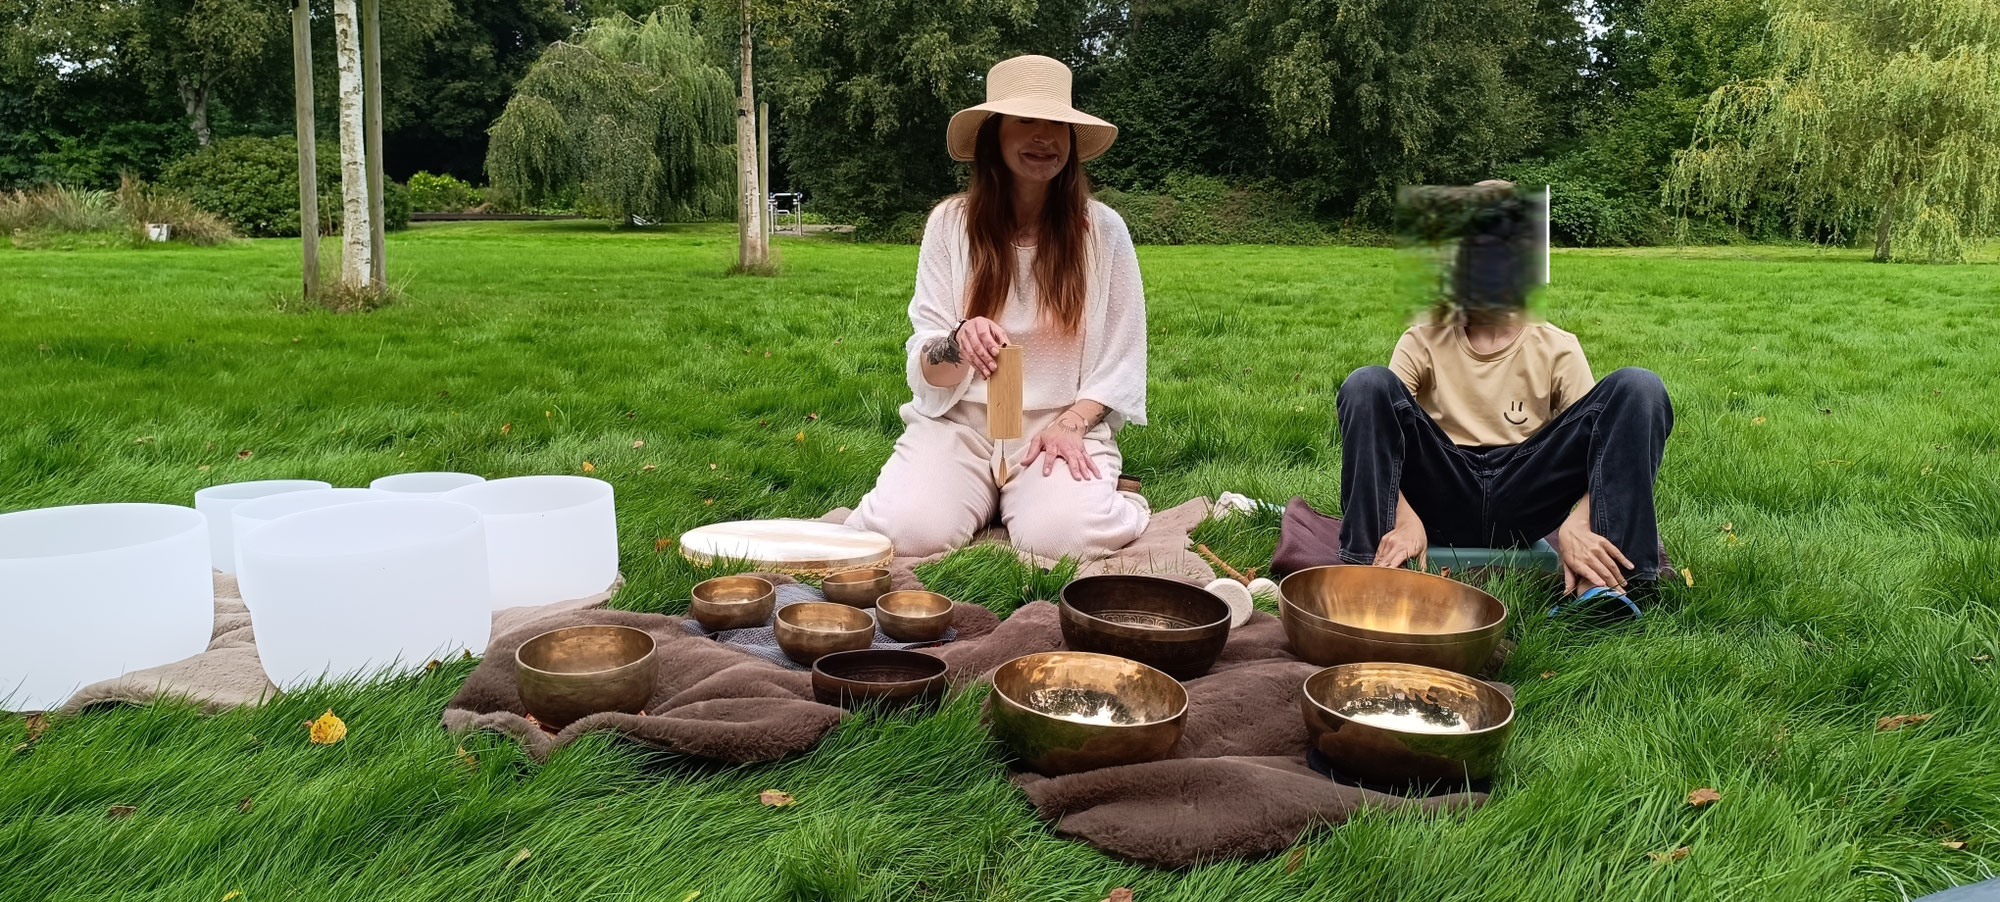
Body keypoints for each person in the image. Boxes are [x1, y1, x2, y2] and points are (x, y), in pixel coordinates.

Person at [845, 55, 1151, 560]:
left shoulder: (1104, 232)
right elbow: (928, 361)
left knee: (1065, 537)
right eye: (1026, 121)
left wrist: (1071, 425)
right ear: (994, 134)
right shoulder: (950, 225)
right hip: (960, 425)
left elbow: (1122, 357)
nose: (1044, 138)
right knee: (903, 532)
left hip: (1054, 427)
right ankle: (979, 494)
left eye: (1057, 124)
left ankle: (1113, 501)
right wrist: (958, 340)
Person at [1335, 183, 1674, 613]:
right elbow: (1379, 434)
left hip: (1524, 493)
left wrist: (1578, 521)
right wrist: (1404, 516)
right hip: (1442, 488)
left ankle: (1603, 588)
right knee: (1367, 384)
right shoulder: (1421, 338)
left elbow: (1603, 451)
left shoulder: (1557, 346)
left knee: (1639, 387)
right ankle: (1367, 573)